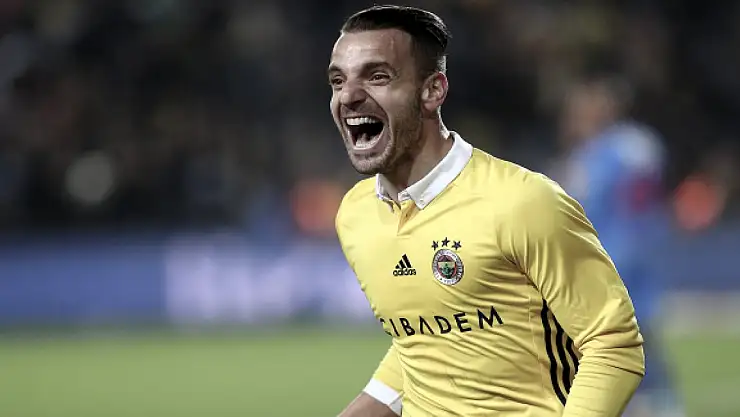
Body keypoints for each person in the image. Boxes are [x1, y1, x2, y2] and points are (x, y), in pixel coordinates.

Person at [330, 6, 644, 417]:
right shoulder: (355, 216)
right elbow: (423, 343)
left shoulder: (524, 202)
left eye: (377, 77)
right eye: (338, 80)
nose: (349, 95)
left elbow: (612, 343)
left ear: (433, 91)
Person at [554, 75, 684, 417]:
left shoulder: (608, 151)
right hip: (625, 252)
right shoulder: (625, 147)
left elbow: (586, 205)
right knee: (630, 336)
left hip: (616, 255)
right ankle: (659, 403)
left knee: (619, 337)